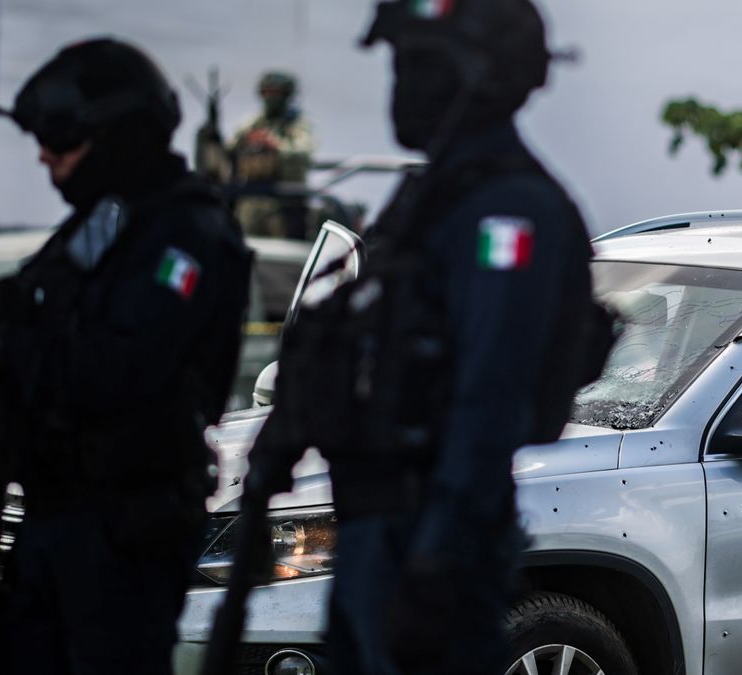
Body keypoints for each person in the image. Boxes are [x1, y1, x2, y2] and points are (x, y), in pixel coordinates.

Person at [240, 1, 602, 673]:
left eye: (418, 64)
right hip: (375, 531)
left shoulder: (510, 209)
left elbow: (489, 396)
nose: (400, 85)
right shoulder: (427, 197)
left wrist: (436, 560)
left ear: (475, 75)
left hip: (434, 542)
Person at [0, 38, 251, 674]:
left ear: (118, 133)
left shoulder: (189, 232)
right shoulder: (108, 222)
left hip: (125, 532)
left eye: (62, 139)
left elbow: (126, 369)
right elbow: (25, 297)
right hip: (54, 516)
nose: (45, 156)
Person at [229, 71, 317, 239]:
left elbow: (304, 153)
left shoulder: (298, 124)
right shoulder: (253, 122)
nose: (271, 97)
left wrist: (274, 145)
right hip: (252, 199)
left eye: (276, 93)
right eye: (268, 92)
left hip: (286, 201)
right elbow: (231, 148)